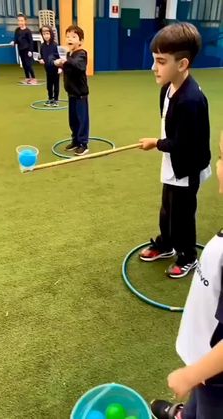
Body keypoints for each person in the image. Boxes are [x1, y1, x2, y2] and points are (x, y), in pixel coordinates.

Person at [151, 132, 223, 419]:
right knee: (198, 403)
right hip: (207, 368)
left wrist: (192, 373)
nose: (218, 165)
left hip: (216, 378)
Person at [139, 23, 211, 279]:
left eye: (160, 61)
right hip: (173, 162)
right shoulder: (167, 88)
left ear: (182, 64)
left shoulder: (191, 100)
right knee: (167, 208)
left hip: (187, 166)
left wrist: (155, 143)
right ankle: (166, 244)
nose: (153, 68)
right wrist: (162, 144)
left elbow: (183, 143)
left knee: (182, 214)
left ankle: (188, 256)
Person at [54, 25, 89, 156]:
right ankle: (75, 140)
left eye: (74, 37)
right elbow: (69, 68)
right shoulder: (69, 54)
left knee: (82, 120)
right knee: (73, 120)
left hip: (80, 94)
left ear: (80, 41)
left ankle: (83, 144)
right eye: (68, 36)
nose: (70, 39)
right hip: (71, 94)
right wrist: (60, 66)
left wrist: (65, 61)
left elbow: (79, 66)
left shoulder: (82, 54)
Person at [39, 25, 60, 107]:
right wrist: (40, 60)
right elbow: (41, 56)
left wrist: (60, 68)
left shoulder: (55, 45)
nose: (46, 36)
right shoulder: (42, 46)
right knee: (49, 85)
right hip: (47, 69)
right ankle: (50, 98)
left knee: (56, 85)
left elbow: (59, 57)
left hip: (55, 69)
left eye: (47, 33)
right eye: (44, 34)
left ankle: (56, 100)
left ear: (51, 34)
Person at [12, 13, 36, 84]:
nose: (20, 22)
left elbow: (31, 42)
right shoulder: (17, 30)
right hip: (21, 50)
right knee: (24, 65)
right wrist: (13, 42)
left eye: (22, 21)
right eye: (19, 21)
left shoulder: (28, 31)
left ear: (25, 21)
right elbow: (16, 39)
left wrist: (30, 51)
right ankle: (27, 77)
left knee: (28, 64)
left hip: (27, 50)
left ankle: (33, 78)